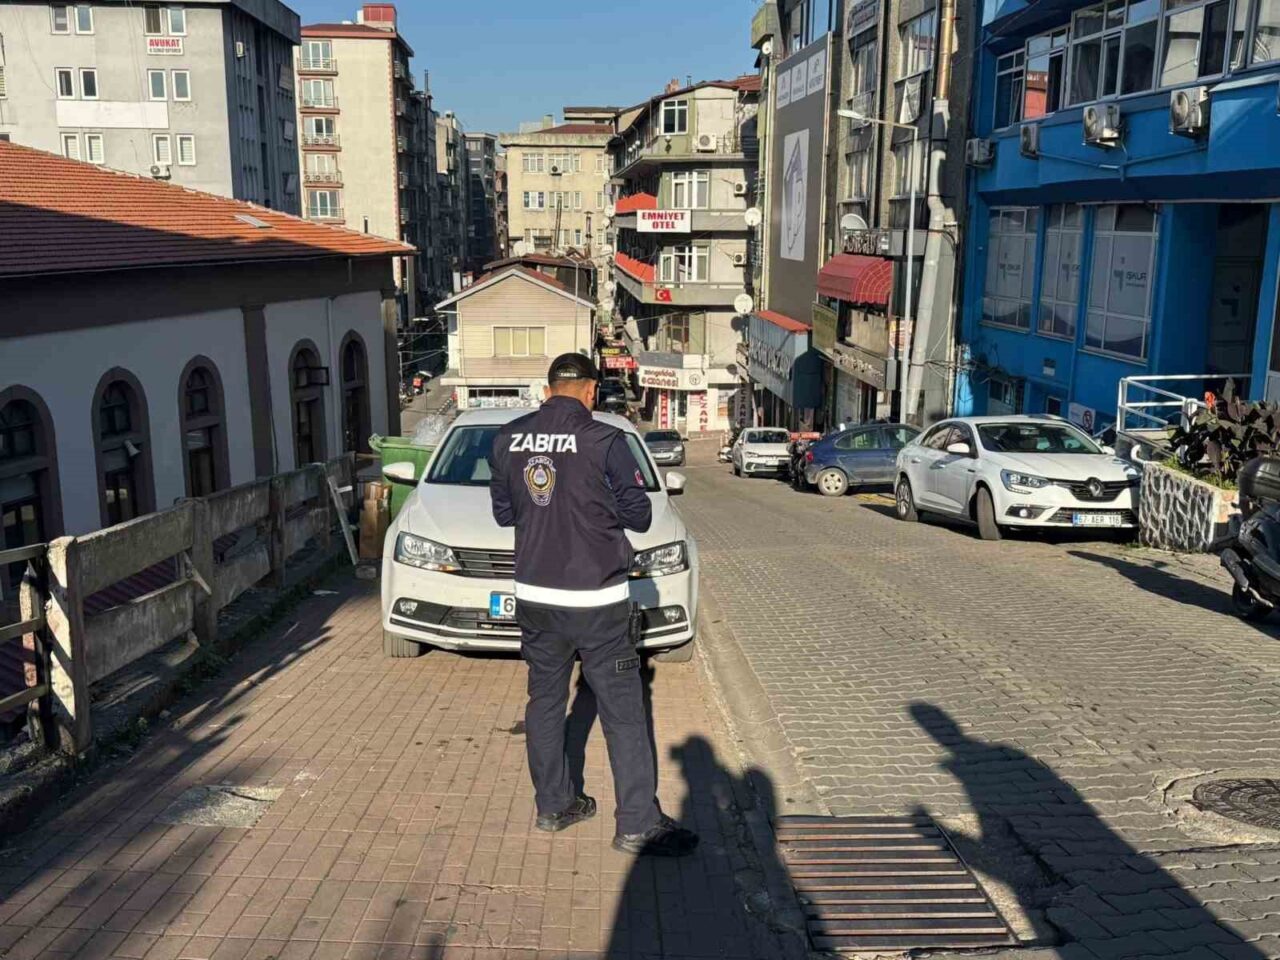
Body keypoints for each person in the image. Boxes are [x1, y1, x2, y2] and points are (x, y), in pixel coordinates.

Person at [488, 353, 699, 857]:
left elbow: (503, 514)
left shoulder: (507, 439)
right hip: (598, 599)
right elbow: (640, 516)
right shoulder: (606, 439)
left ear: (548, 389)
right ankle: (636, 824)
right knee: (624, 711)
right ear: (588, 390)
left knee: (544, 702)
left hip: (536, 598)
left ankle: (554, 806)